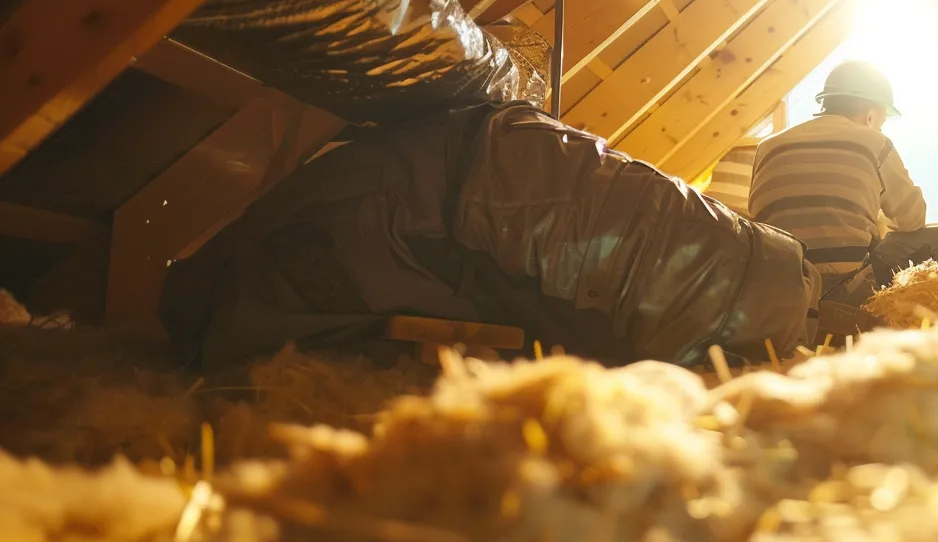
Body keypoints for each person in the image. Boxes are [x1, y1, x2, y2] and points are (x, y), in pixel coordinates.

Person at [161, 101, 822, 374]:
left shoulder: (272, 257)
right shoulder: (276, 264)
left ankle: (768, 295)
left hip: (467, 177)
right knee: (660, 282)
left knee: (660, 270)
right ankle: (770, 295)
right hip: (450, 190)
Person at [749, 60, 938, 307]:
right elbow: (912, 219)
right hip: (847, 286)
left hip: (780, 286)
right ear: (871, 115)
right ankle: (885, 319)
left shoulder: (768, 147)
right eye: (881, 122)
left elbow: (759, 216)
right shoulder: (875, 143)